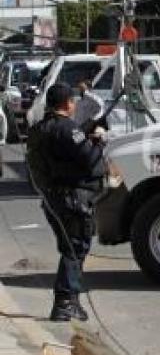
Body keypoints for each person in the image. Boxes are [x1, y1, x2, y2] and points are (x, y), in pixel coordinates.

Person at [27, 83, 105, 322]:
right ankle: (63, 302)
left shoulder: (39, 129)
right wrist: (99, 142)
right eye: (73, 101)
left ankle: (71, 301)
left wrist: (84, 137)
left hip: (53, 198)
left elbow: (62, 154)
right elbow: (90, 160)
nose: (74, 105)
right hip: (72, 199)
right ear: (67, 103)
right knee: (75, 248)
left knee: (70, 248)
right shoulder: (67, 128)